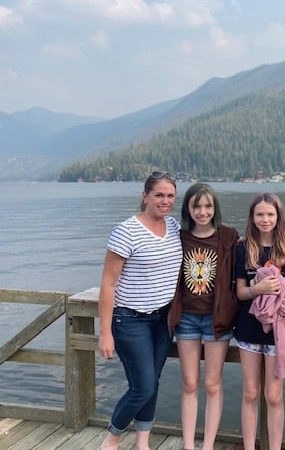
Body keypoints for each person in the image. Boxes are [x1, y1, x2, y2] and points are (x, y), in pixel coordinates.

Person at [98, 171, 183, 450]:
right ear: (144, 196)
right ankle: (111, 439)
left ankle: (143, 442)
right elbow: (108, 284)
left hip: (162, 319)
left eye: (170, 195)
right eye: (159, 195)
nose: (165, 200)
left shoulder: (172, 227)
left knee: (153, 382)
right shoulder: (126, 231)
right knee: (142, 387)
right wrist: (105, 332)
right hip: (129, 319)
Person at [167, 183, 239, 450]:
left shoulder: (228, 237)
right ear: (188, 208)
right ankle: (188, 444)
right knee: (189, 382)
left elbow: (247, 264)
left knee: (211, 383)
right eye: (196, 206)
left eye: (208, 206)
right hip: (185, 318)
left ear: (215, 208)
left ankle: (207, 444)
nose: (202, 211)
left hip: (216, 319)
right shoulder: (178, 236)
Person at [234, 193, 285, 450]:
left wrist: (279, 286)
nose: (265, 219)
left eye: (270, 214)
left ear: (279, 217)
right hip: (247, 330)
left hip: (278, 333)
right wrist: (258, 287)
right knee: (250, 392)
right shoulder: (243, 249)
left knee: (274, 396)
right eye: (260, 214)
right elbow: (240, 292)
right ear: (252, 218)